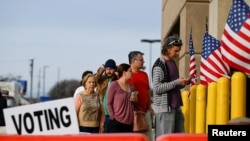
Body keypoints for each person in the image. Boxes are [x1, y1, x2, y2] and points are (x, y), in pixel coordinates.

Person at [151, 34, 190, 138]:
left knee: (180, 138)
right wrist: (177, 82)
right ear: (167, 48)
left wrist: (182, 83)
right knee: (165, 138)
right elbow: (157, 88)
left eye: (179, 51)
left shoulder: (172, 63)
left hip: (176, 107)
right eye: (175, 51)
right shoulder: (159, 65)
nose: (178, 53)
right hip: (165, 110)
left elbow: (172, 85)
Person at [128, 51, 153, 141]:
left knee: (148, 137)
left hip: (145, 112)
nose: (143, 62)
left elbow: (148, 91)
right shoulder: (126, 76)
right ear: (133, 61)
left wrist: (149, 107)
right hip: (132, 114)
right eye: (141, 60)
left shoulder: (144, 74)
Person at [107, 63, 138, 133]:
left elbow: (135, 105)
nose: (132, 73)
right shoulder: (114, 85)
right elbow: (109, 103)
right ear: (124, 72)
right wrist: (112, 116)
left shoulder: (132, 87)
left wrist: (136, 101)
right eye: (130, 71)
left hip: (130, 124)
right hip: (116, 123)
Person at [95, 59, 118, 133]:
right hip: (102, 114)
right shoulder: (102, 80)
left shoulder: (117, 80)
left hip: (114, 115)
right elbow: (94, 80)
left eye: (111, 69)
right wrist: (100, 70)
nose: (108, 71)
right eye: (107, 69)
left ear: (114, 69)